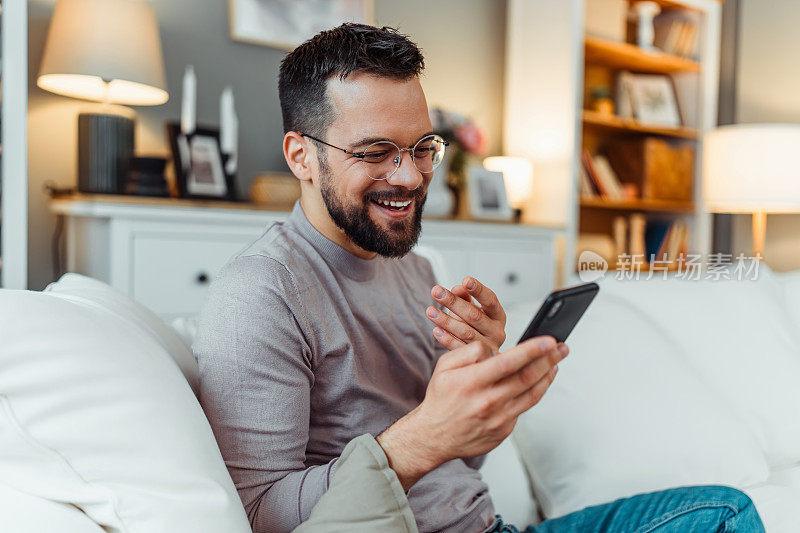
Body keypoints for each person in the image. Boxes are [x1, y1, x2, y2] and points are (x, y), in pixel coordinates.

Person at [194, 23, 764, 533]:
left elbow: (454, 473)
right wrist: (427, 433)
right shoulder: (261, 294)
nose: (410, 176)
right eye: (374, 152)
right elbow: (259, 515)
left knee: (723, 512)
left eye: (422, 148)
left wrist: (483, 393)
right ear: (300, 156)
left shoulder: (411, 269)